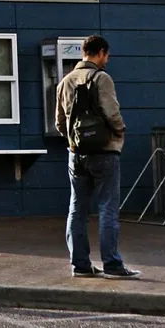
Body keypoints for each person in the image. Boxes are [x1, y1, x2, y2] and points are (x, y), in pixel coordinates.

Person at [55, 35, 140, 279]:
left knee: (77, 209)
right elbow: (112, 113)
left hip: (76, 152)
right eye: (107, 55)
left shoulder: (65, 82)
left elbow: (59, 122)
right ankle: (112, 264)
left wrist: (74, 139)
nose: (107, 59)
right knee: (108, 208)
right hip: (104, 151)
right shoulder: (102, 78)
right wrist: (119, 131)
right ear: (101, 52)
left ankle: (80, 265)